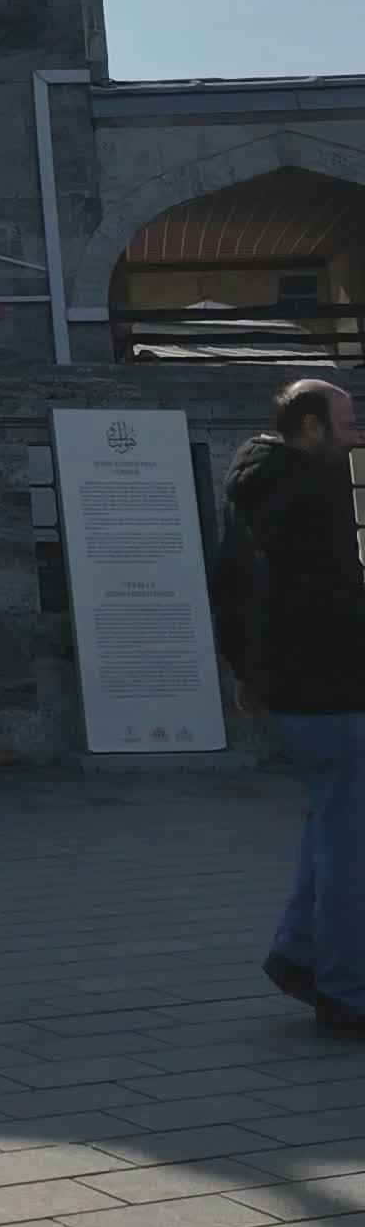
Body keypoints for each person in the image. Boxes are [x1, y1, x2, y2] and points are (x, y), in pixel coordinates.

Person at [216, 375, 365, 1032]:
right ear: (311, 427)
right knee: (350, 843)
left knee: (330, 822)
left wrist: (247, 670)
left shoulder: (254, 485)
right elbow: (339, 601)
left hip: (292, 690)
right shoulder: (312, 494)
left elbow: (232, 585)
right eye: (346, 422)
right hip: (335, 688)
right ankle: (346, 988)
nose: (353, 435)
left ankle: (298, 954)